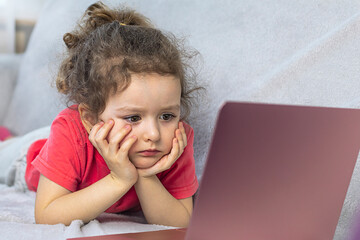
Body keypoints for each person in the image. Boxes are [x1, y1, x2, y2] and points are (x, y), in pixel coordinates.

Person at [24, 1, 202, 227]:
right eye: (133, 118)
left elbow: (180, 222)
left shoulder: (177, 139)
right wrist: (119, 179)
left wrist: (146, 176)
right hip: (28, 158)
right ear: (90, 119)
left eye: (166, 116)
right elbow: (47, 216)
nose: (153, 134)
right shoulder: (70, 131)